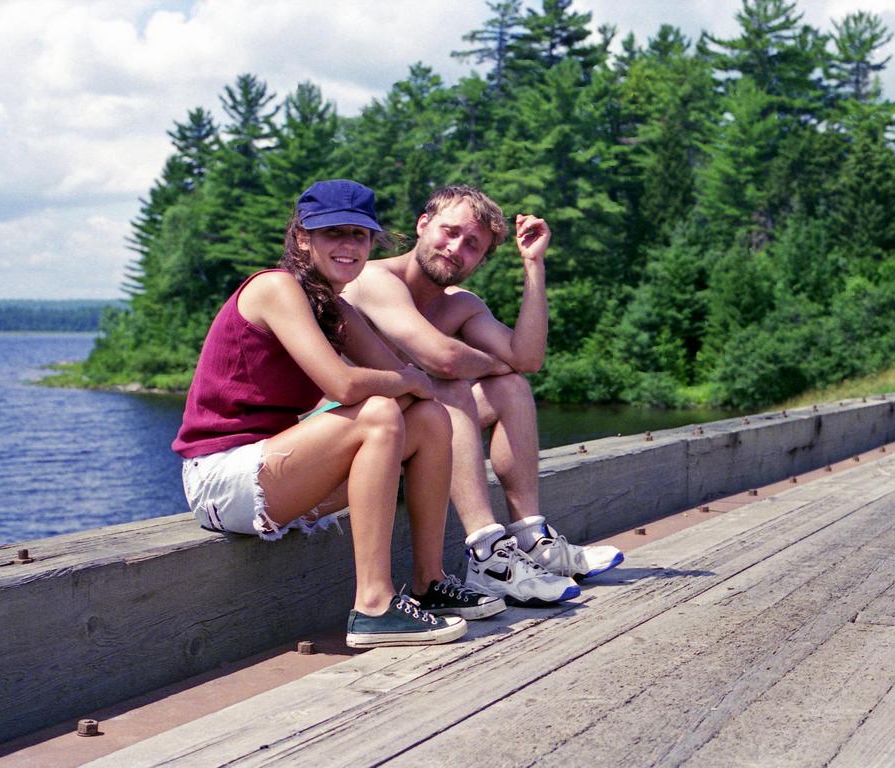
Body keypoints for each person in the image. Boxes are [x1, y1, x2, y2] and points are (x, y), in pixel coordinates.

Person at [172, 179, 504, 650]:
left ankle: (430, 584)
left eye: (360, 235)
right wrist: (404, 382)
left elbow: (416, 386)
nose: (349, 246)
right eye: (334, 233)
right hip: (221, 479)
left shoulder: (336, 308)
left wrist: (408, 383)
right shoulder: (276, 288)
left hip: (279, 473)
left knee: (430, 420)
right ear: (303, 237)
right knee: (378, 414)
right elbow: (344, 384)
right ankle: (373, 606)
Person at [341, 185, 623, 606]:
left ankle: (530, 539)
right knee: (450, 387)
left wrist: (533, 264)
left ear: (480, 261)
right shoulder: (373, 279)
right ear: (423, 225)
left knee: (510, 387)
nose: (455, 248)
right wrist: (491, 362)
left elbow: (526, 358)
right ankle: (487, 553)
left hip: (417, 442)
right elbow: (444, 359)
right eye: (448, 232)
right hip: (353, 440)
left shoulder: (461, 305)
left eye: (472, 245)